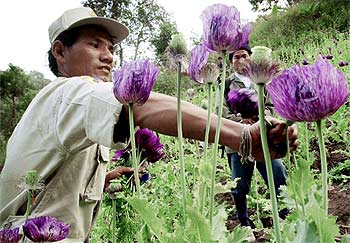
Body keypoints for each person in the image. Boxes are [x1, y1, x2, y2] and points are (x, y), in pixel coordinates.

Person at [0, 7, 298, 242]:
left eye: (111, 49)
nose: (108, 56)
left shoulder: (72, 115)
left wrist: (106, 179)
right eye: (94, 45)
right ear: (60, 51)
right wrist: (242, 137)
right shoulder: (66, 93)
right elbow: (138, 103)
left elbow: (52, 183)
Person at [219, 45, 289, 241]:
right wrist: (241, 122)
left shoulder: (263, 81)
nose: (241, 60)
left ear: (251, 58)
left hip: (265, 141)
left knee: (279, 178)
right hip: (238, 141)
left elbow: (272, 107)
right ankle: (244, 224)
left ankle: (285, 220)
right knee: (240, 186)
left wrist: (261, 118)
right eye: (236, 58)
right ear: (230, 62)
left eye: (244, 56)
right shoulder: (225, 84)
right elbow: (221, 112)